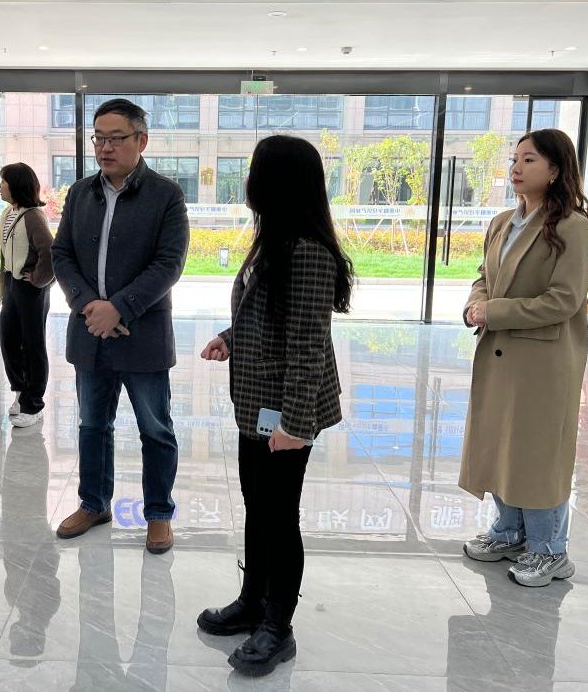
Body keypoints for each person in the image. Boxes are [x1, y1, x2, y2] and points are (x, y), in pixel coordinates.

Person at [196, 135, 353, 677]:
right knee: (257, 505)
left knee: (279, 516)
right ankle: (252, 601)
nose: (247, 180)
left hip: (286, 414)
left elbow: (308, 346)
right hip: (256, 406)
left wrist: (295, 424)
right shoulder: (274, 239)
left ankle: (278, 626)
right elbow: (266, 316)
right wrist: (229, 338)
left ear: (277, 182)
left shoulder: (307, 252)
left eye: (255, 170)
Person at [51, 98, 189, 554]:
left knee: (155, 428)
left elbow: (169, 264)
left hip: (142, 335)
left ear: (141, 140)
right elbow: (61, 255)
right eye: (98, 138)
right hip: (90, 333)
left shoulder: (166, 195)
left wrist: (120, 308)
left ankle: (158, 513)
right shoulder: (79, 193)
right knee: (93, 425)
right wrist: (89, 304)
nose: (105, 147)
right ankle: (93, 503)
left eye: (116, 138)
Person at [459, 128, 588, 587]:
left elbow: (564, 299)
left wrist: (494, 311)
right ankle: (510, 532)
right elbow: (484, 276)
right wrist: (475, 304)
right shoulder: (503, 222)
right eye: (515, 159)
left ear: (555, 169)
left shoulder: (573, 227)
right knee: (502, 445)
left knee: (539, 454)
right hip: (499, 357)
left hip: (543, 362)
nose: (516, 167)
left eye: (529, 160)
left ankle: (550, 550)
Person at [0, 162, 54, 427]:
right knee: (9, 339)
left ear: (16, 185)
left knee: (33, 344)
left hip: (30, 288)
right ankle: (21, 391)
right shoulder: (9, 212)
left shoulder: (33, 216)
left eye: (4, 181)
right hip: (11, 283)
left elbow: (49, 252)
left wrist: (39, 279)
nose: (0, 186)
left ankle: (34, 404)